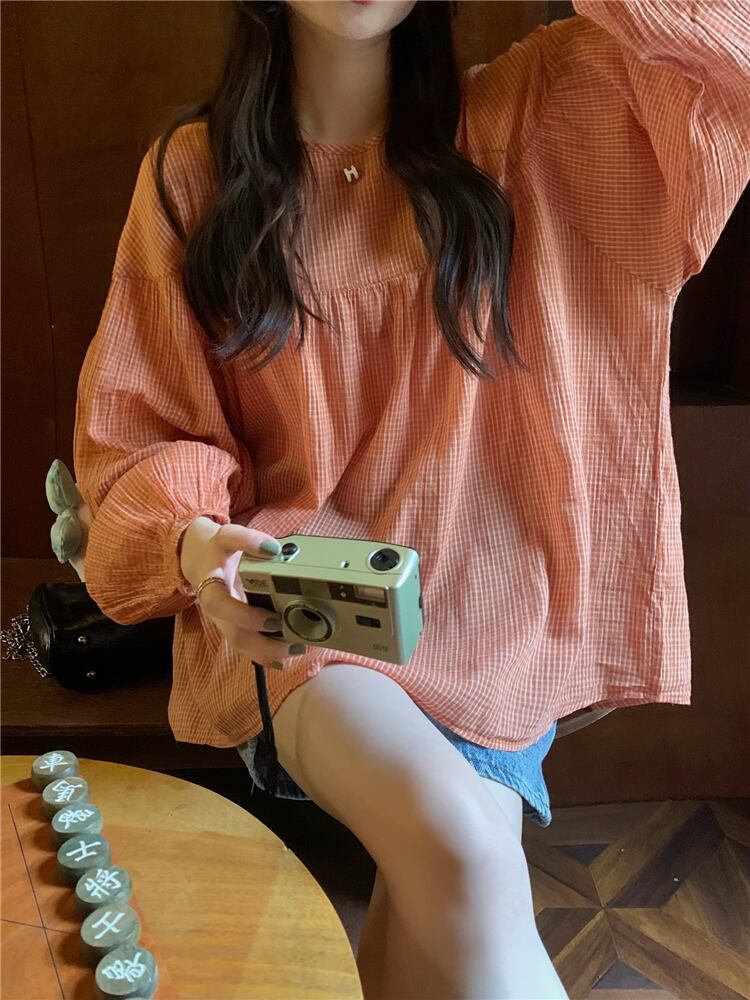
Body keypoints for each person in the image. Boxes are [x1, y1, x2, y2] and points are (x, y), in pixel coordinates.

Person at [73, 1, 750, 997]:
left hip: (496, 624)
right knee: (468, 860)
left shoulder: (536, 120)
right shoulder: (195, 175)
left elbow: (724, 60)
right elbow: (139, 432)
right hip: (306, 618)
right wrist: (195, 546)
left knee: (433, 924)